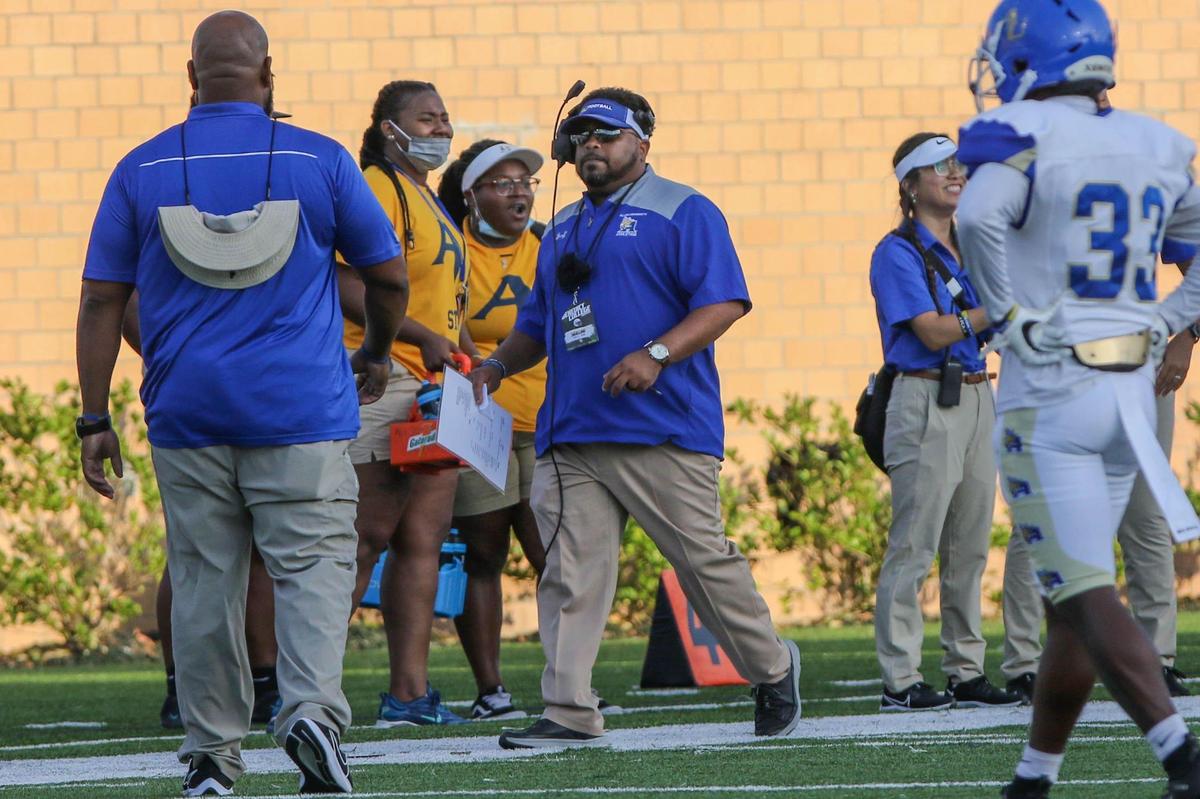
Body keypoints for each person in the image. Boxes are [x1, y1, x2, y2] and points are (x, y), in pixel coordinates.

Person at [76, 10, 408, 795]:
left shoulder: (141, 169)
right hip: (300, 411)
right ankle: (311, 715)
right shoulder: (321, 159)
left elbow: (99, 300)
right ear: (268, 75)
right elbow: (388, 277)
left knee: (203, 580)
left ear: (191, 77)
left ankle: (212, 757)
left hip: (187, 415)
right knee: (315, 568)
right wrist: (378, 350)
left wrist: (95, 417)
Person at [467, 87, 800, 748]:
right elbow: (536, 325)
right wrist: (497, 367)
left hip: (662, 425)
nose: (592, 145)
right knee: (570, 571)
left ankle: (773, 667)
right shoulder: (560, 226)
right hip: (572, 432)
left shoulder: (685, 210)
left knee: (703, 562)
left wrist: (654, 353)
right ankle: (568, 709)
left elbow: (725, 302)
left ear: (642, 144)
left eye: (607, 135)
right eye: (583, 135)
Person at [956, 1, 1200, 795]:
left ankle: (1181, 755)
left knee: (1079, 583)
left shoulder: (1023, 131)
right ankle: (1034, 775)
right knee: (1074, 589)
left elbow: (975, 213)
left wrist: (1007, 314)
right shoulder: (1156, 142)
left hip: (1052, 393)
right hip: (1129, 395)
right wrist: (1167, 319)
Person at [869, 133, 1023, 713]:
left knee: (970, 545)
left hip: (979, 392)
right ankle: (900, 679)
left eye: (958, 164)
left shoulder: (973, 245)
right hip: (925, 396)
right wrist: (1005, 306)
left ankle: (965, 669)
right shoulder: (896, 252)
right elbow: (932, 331)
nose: (955, 173)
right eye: (938, 167)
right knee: (914, 544)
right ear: (910, 185)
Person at [340, 80, 469, 727]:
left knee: (423, 539)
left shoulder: (430, 197)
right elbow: (346, 281)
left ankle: (409, 695)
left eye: (445, 116)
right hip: (381, 376)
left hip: (433, 390)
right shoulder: (376, 183)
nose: (442, 127)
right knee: (364, 535)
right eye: (427, 116)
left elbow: (441, 298)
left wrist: (467, 353)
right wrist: (420, 340)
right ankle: (312, 694)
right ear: (389, 127)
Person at [120, 291, 281, 731]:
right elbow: (120, 296)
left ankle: (254, 682)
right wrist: (176, 355)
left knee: (236, 545)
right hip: (208, 391)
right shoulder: (157, 219)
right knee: (197, 548)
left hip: (245, 387)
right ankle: (193, 687)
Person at [436, 139, 548, 720]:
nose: (518, 192)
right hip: (483, 421)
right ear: (472, 194)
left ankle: (568, 681)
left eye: (523, 182)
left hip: (549, 421)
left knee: (553, 553)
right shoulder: (453, 247)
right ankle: (490, 690)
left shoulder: (553, 242)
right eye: (501, 184)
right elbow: (447, 324)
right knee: (485, 553)